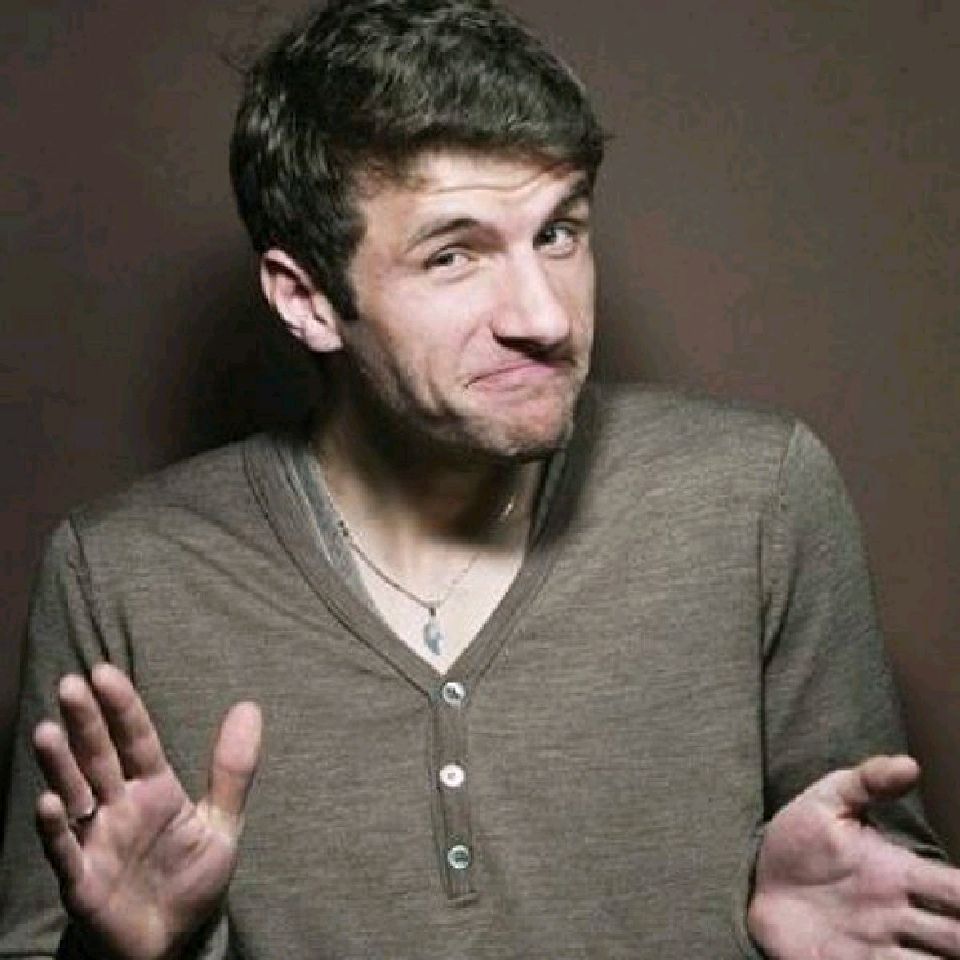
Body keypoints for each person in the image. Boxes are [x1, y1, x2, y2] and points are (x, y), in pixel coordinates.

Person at [1, 1, 958, 957]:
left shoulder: (756, 498)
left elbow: (881, 899)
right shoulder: (120, 575)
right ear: (307, 299)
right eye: (453, 255)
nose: (545, 318)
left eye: (559, 233)